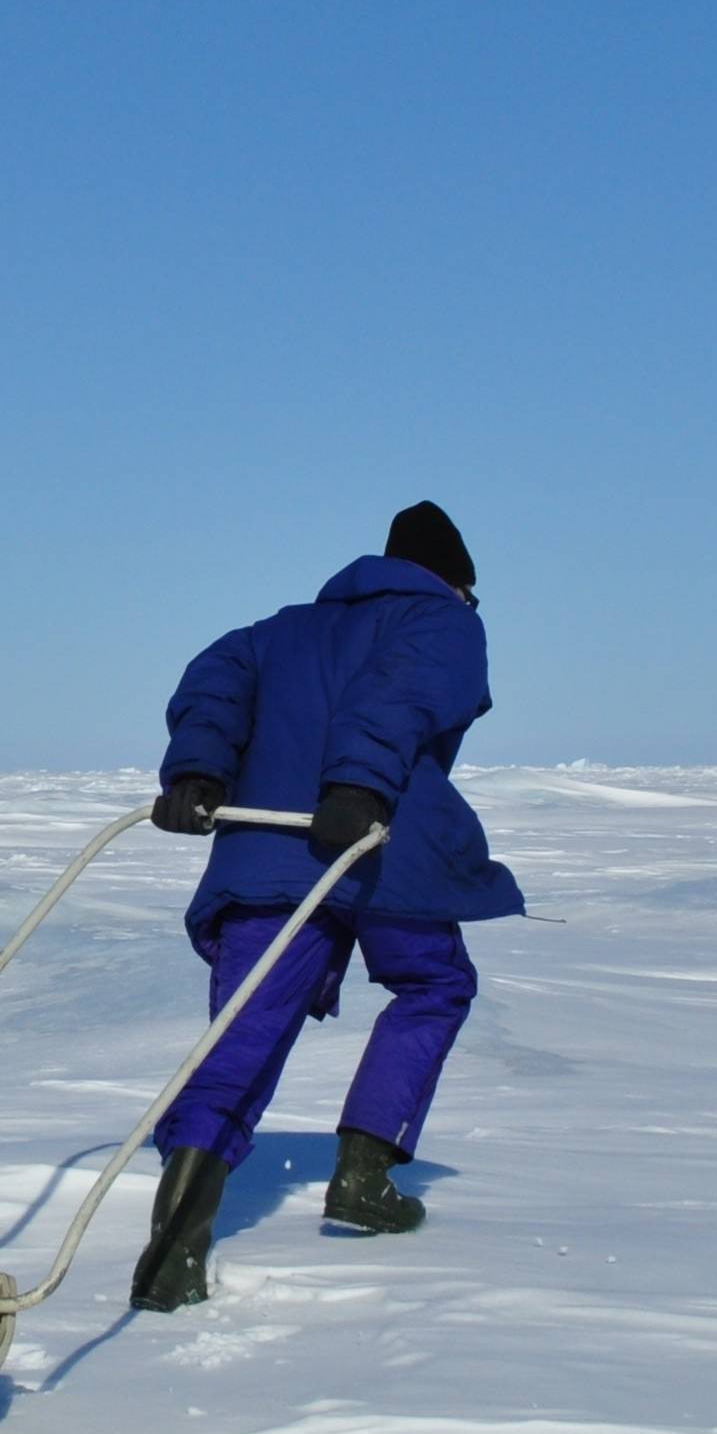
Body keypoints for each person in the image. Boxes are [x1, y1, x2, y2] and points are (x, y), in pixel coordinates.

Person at [130, 501, 524, 1311]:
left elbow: (217, 676)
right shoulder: (445, 622)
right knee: (434, 985)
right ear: (455, 580)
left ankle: (175, 1243)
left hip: (270, 850)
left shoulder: (279, 631)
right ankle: (364, 1174)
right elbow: (400, 694)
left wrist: (197, 770)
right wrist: (359, 782)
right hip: (380, 843)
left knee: (242, 1030)